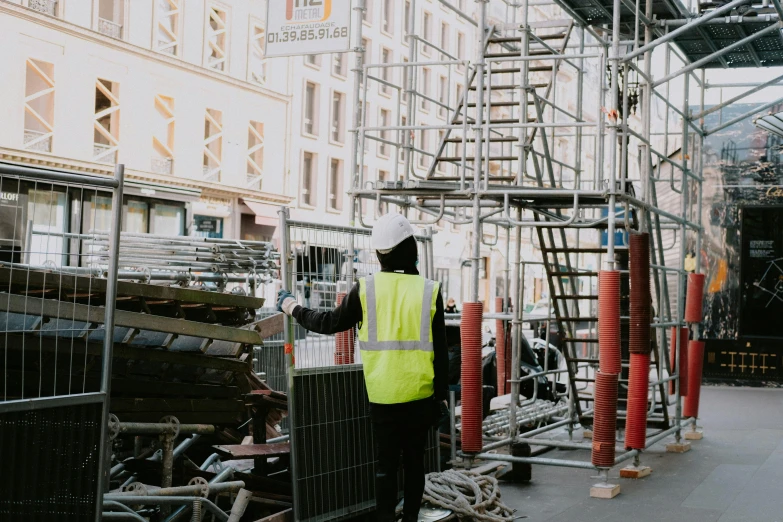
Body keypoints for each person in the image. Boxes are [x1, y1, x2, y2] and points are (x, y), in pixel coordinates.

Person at [276, 212, 448, 522]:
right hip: (421, 397)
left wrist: (292, 307)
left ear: (380, 253)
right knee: (414, 465)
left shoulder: (366, 289)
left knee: (385, 466)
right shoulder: (429, 290)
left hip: (384, 398)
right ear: (411, 248)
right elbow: (441, 353)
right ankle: (410, 518)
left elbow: (328, 323)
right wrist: (440, 398)